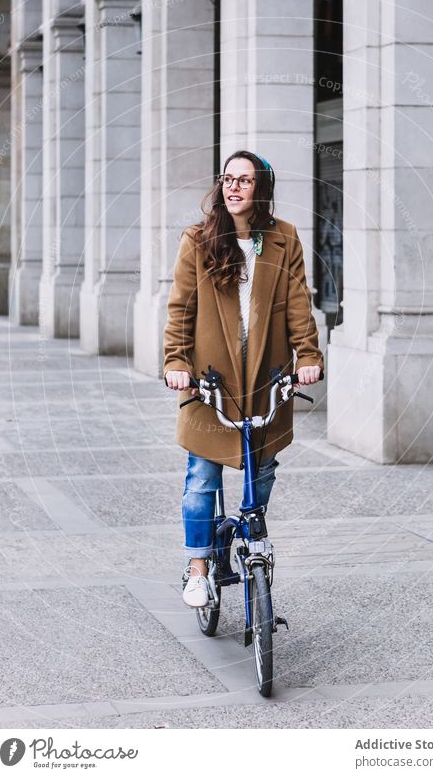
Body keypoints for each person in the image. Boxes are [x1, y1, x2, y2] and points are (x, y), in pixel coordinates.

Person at [163, 150, 324, 607]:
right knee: (201, 478)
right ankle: (197, 567)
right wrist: (177, 363)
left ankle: (248, 532)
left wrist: (308, 355)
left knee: (265, 467)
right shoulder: (198, 239)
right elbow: (181, 308)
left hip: (266, 377)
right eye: (228, 179)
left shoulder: (284, 238)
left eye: (245, 180)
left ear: (262, 190)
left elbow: (298, 304)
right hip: (210, 381)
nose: (233, 187)